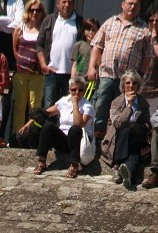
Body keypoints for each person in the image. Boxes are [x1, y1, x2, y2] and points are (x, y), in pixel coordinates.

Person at [88, 0, 153, 141]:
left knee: (122, 110)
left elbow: (148, 56)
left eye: (136, 4)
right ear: (123, 4)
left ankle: (114, 139)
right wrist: (92, 67)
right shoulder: (110, 22)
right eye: (130, 3)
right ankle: (97, 139)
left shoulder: (144, 29)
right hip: (106, 74)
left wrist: (139, 76)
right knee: (100, 106)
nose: (133, 7)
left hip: (127, 81)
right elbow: (97, 46)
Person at [23, 74, 92, 178]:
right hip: (63, 140)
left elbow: (79, 123)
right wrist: (29, 123)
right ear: (69, 90)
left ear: (84, 90)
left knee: (75, 128)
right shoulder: (64, 101)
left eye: (80, 90)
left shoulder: (87, 106)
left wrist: (75, 104)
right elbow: (46, 113)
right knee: (48, 126)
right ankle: (41, 161)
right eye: (74, 90)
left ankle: (74, 165)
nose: (77, 93)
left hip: (78, 142)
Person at [101, 70, 150, 189]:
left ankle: (120, 169)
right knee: (127, 133)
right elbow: (118, 124)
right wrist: (129, 106)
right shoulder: (116, 102)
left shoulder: (143, 103)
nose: (131, 86)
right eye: (128, 83)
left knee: (133, 139)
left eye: (134, 83)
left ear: (138, 85)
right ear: (123, 85)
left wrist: (134, 126)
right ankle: (127, 171)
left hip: (137, 137)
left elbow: (147, 125)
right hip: (118, 139)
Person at [35, 0, 81, 110]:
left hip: (71, 74)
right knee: (49, 107)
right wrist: (43, 64)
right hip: (51, 72)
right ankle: (50, 128)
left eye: (70, 2)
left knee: (69, 107)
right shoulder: (49, 20)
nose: (67, 5)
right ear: (57, 4)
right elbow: (39, 44)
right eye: (64, 2)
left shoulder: (79, 22)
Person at [10, 0, 43, 134]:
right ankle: (17, 135)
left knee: (34, 107)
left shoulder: (43, 29)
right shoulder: (20, 27)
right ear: (27, 11)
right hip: (21, 74)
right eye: (32, 10)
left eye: (38, 10)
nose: (34, 13)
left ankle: (32, 135)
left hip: (38, 75)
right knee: (19, 106)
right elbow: (15, 48)